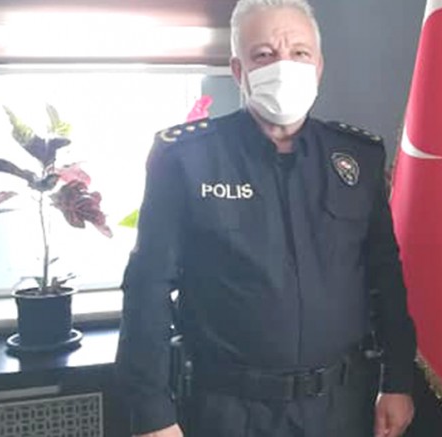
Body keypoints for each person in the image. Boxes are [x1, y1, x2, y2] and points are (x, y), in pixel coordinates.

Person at [115, 1, 417, 436]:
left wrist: (398, 380)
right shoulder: (186, 158)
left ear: (318, 67)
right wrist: (152, 414)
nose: (284, 66)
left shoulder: (356, 157)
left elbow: (384, 274)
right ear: (239, 70)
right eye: (264, 55)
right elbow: (148, 287)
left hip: (340, 408)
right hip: (227, 411)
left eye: (299, 53)